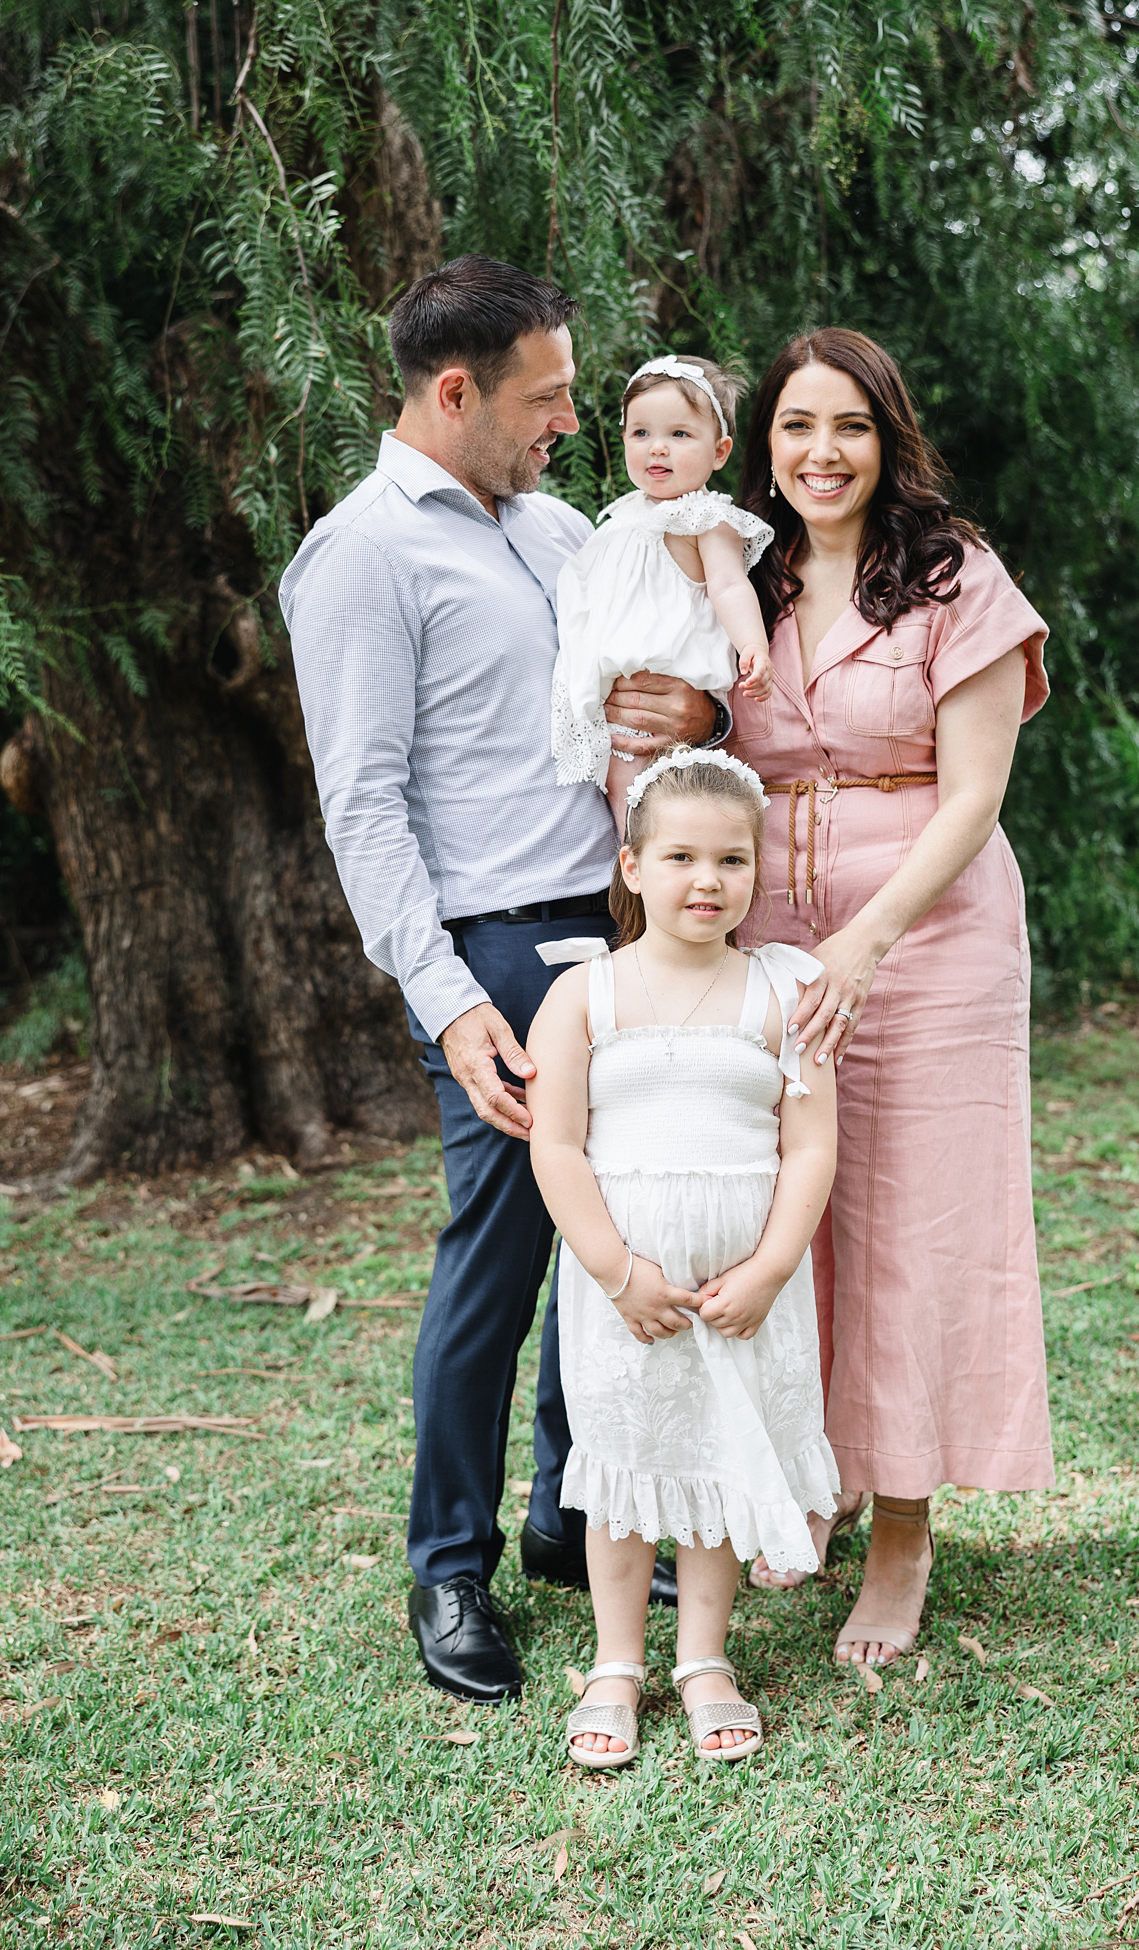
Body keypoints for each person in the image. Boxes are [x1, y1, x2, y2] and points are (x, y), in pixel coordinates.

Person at [280, 256, 725, 1706]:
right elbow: (364, 808)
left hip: (616, 922)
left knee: (617, 1228)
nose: (573, 422)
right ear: (455, 391)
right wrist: (450, 999)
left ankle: (568, 1517)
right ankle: (450, 1567)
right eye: (546, 396)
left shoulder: (552, 530)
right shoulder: (360, 555)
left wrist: (693, 706)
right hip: (489, 948)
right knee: (504, 1248)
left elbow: (635, 681)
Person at [727, 327, 1055, 1665]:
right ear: (765, 444)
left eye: (848, 426)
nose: (822, 453)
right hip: (762, 940)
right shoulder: (736, 574)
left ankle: (904, 1529)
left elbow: (973, 793)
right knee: (790, 1217)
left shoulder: (948, 575)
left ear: (888, 436)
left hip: (926, 938)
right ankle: (819, 1470)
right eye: (797, 426)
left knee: (915, 1225)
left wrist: (861, 944)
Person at [526, 749, 838, 1767]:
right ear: (630, 865)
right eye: (681, 856)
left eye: (732, 859)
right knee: (623, 1469)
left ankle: (704, 1654)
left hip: (738, 1286)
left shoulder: (782, 991)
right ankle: (617, 1659)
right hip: (628, 1288)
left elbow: (811, 1144)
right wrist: (616, 1268)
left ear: (757, 870)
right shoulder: (586, 993)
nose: (708, 879)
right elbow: (556, 1142)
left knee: (713, 1464)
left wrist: (771, 1266)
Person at [551, 354, 774, 834]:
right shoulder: (620, 519)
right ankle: (633, 898)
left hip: (660, 715)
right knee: (621, 826)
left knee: (650, 828)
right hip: (612, 713)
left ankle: (648, 903)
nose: (657, 449)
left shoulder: (705, 520)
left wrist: (753, 645)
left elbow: (730, 585)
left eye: (679, 435)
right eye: (641, 434)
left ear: (719, 452)